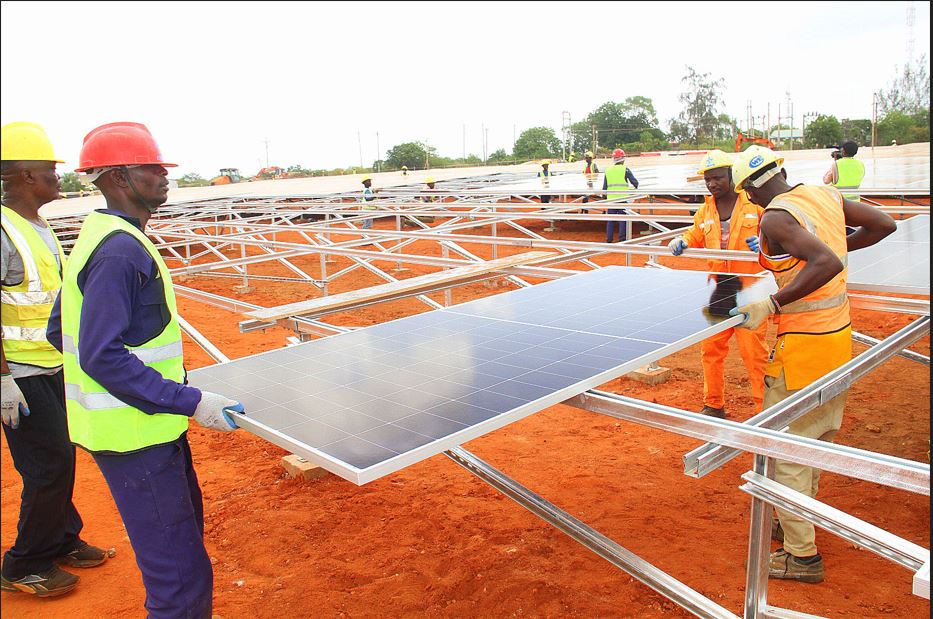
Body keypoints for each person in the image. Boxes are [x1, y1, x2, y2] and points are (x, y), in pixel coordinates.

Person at [46, 122, 245, 617]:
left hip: (143, 429)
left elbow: (59, 329)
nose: (164, 175)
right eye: (151, 167)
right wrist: (189, 400)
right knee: (179, 579)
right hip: (137, 439)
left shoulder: (102, 236)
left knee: (182, 559)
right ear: (117, 177)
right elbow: (100, 355)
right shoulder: (119, 250)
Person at [730, 145, 896, 584]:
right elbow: (883, 224)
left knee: (786, 450)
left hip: (802, 348)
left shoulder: (775, 218)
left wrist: (773, 302)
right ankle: (794, 519)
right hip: (837, 339)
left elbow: (825, 260)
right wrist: (838, 243)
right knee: (813, 439)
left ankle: (801, 556)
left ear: (750, 189)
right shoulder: (824, 195)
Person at [0, 122, 111, 598]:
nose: (57, 177)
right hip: (19, 374)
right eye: (50, 169)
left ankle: (62, 538)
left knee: (61, 457)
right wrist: (3, 381)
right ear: (26, 175)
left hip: (52, 366)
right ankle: (24, 563)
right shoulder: (4, 229)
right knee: (48, 465)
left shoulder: (36, 226)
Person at [667, 149, 767, 418]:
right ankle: (713, 404)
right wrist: (683, 241)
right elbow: (695, 234)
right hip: (719, 290)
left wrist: (765, 243)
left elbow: (777, 235)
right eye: (708, 179)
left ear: (732, 176)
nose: (712, 184)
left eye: (718, 178)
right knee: (711, 349)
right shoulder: (705, 210)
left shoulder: (755, 204)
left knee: (754, 354)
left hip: (750, 290)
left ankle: (765, 411)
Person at [603, 148, 639, 242]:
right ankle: (622, 239)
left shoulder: (608, 170)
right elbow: (635, 183)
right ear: (623, 159)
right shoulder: (625, 169)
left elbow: (604, 188)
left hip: (611, 200)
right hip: (623, 199)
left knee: (611, 220)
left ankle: (609, 239)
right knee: (623, 219)